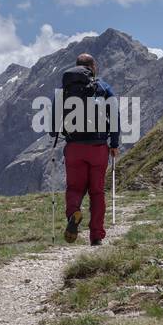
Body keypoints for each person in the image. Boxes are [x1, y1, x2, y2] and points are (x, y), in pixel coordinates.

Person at [62, 53, 119, 246]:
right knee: (96, 192)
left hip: (74, 146)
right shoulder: (103, 87)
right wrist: (114, 143)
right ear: (93, 67)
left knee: (74, 188)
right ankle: (96, 235)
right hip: (98, 147)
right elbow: (115, 115)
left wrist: (56, 134)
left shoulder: (67, 88)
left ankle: (73, 213)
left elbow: (54, 114)